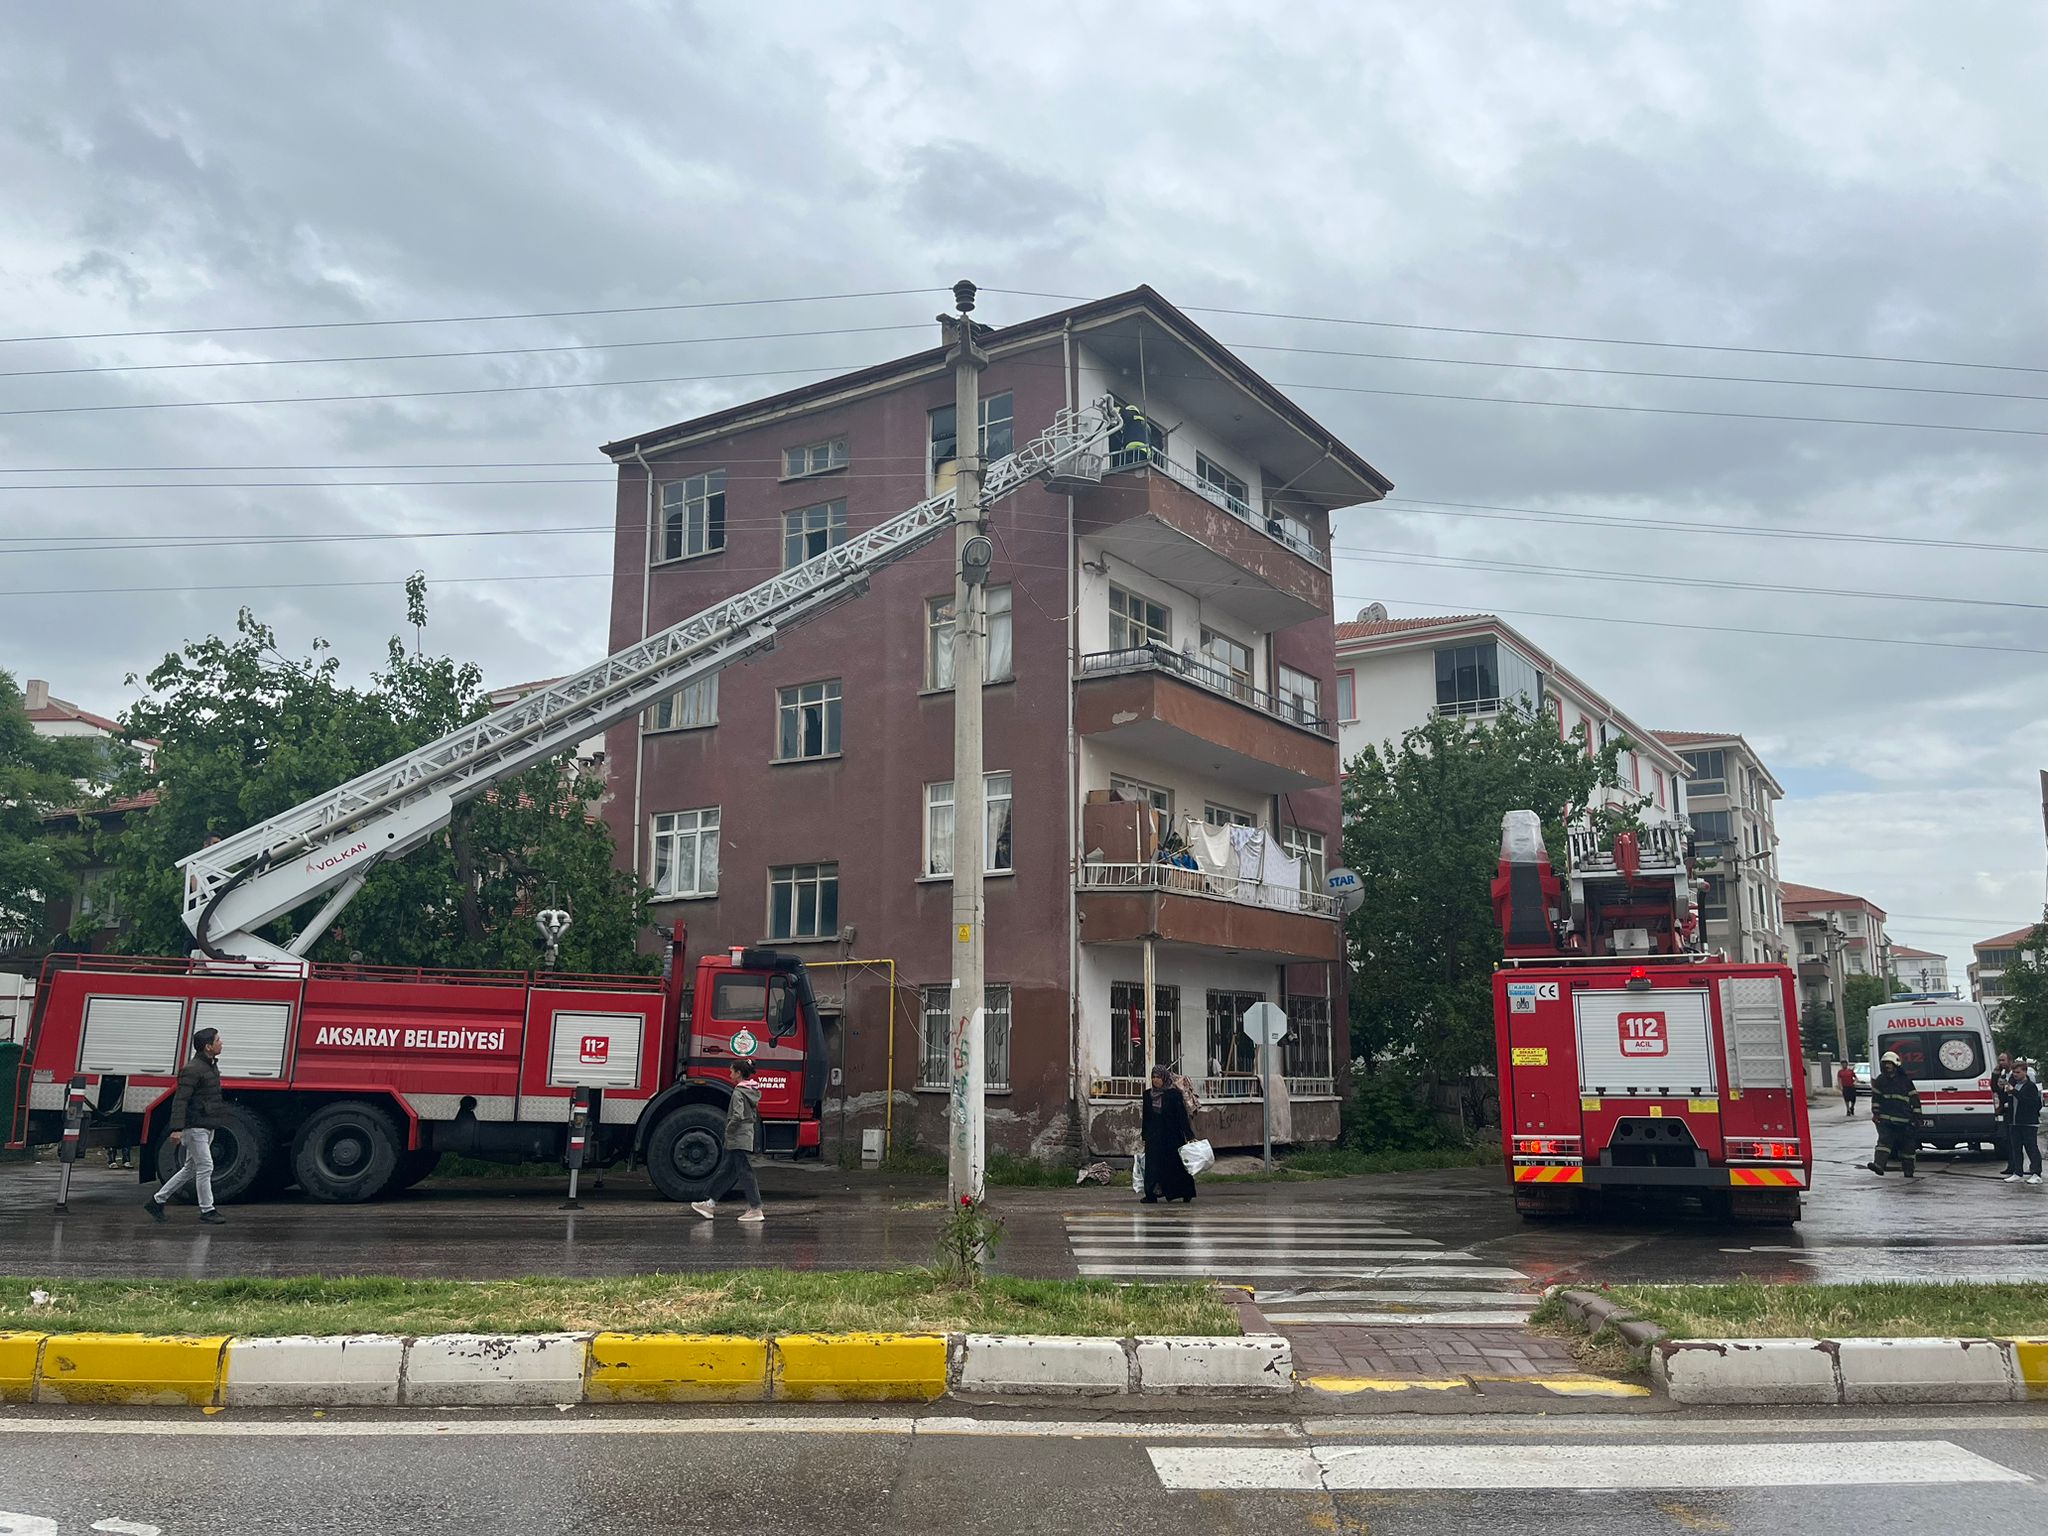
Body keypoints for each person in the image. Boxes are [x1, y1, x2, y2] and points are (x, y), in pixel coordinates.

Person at [143, 1026, 228, 1224]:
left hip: (206, 1124)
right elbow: (180, 1100)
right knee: (205, 1166)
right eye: (218, 1040)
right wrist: (177, 1129)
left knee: (190, 1168)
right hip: (196, 1126)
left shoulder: (209, 1066)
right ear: (208, 1046)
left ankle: (157, 1201)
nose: (221, 1043)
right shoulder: (192, 1069)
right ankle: (207, 1210)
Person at [692, 1061, 765, 1223]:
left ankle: (755, 1208)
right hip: (744, 1136)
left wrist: (728, 1131)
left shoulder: (739, 1092)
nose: (730, 1075)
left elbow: (737, 1116)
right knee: (727, 1171)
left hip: (738, 1137)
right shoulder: (751, 1091)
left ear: (739, 1073)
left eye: (732, 1072)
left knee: (744, 1172)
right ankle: (709, 1204)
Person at [1140, 1064, 1197, 1204]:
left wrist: (1189, 1135)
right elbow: (1146, 1117)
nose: (1155, 1080)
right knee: (1153, 1167)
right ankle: (1151, 1194)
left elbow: (1182, 1116)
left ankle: (1185, 1192)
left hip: (1171, 1137)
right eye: (1153, 1077)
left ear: (1164, 1078)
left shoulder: (1173, 1095)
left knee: (1176, 1166)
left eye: (1158, 1077)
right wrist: (1144, 1136)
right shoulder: (1148, 1095)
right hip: (1154, 1138)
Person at [1865, 1050, 1923, 1180]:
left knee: (1907, 1147)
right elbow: (1876, 1098)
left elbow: (1915, 1099)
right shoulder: (1880, 1080)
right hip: (1886, 1119)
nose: (1887, 1066)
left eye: (1889, 1064)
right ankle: (1879, 1165)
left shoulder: (1905, 1080)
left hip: (1905, 1119)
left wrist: (1917, 1117)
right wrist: (1876, 1113)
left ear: (1896, 1064)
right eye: (1885, 1063)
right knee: (1884, 1143)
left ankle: (1909, 1171)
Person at [2001, 1059, 2042, 1185]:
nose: (2015, 1075)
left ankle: (2036, 1173)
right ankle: (2017, 1172)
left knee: (2031, 1148)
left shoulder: (2030, 1087)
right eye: (2014, 1072)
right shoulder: (2014, 1085)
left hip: (2028, 1123)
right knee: (2016, 1148)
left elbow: (2030, 1103)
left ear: (2025, 1072)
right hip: (2014, 1122)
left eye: (2018, 1072)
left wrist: (2014, 1092)